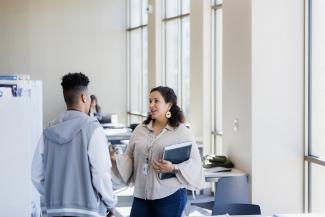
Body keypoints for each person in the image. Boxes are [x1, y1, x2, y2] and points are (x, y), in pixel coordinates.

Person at [31, 72, 117, 217]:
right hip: (88, 211)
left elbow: (36, 175)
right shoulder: (93, 129)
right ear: (84, 97)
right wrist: (111, 203)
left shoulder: (48, 130)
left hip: (54, 210)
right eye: (89, 97)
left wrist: (54, 196)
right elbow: (101, 174)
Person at [110, 86, 204, 217]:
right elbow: (129, 158)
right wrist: (116, 158)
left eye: (156, 101)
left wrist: (173, 168)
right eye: (150, 101)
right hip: (142, 195)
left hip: (170, 196)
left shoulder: (182, 132)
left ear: (169, 105)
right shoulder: (140, 129)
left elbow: (195, 164)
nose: (151, 105)